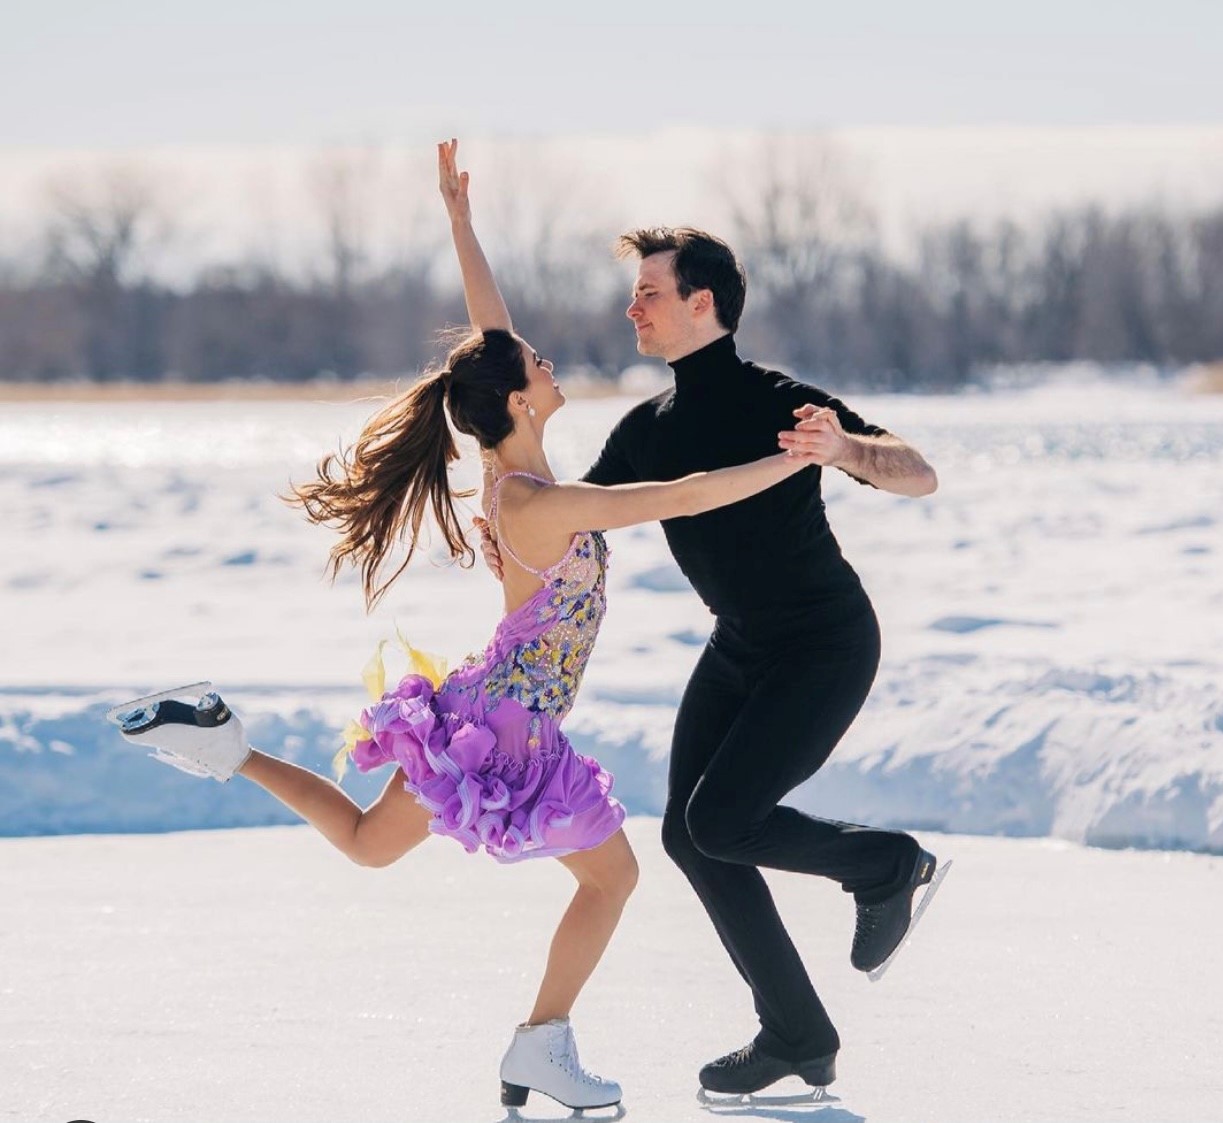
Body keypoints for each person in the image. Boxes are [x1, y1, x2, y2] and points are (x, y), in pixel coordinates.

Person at [110, 141, 814, 1114]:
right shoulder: (540, 502)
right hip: (512, 723)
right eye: (536, 361)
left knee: (366, 842)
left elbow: (491, 336)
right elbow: (687, 493)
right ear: (522, 397)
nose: (547, 356)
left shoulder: (506, 465)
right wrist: (791, 461)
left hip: (483, 704)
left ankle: (227, 746)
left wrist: (460, 224)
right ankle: (541, 1045)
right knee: (612, 879)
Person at [480, 225, 942, 1096]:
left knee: (722, 821)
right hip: (739, 647)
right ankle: (797, 1031)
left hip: (824, 644)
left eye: (649, 292)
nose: (632, 307)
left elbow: (917, 473)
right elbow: (579, 515)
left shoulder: (783, 400)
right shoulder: (647, 429)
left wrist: (843, 447)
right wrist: (508, 504)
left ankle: (885, 865)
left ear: (704, 303)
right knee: (690, 838)